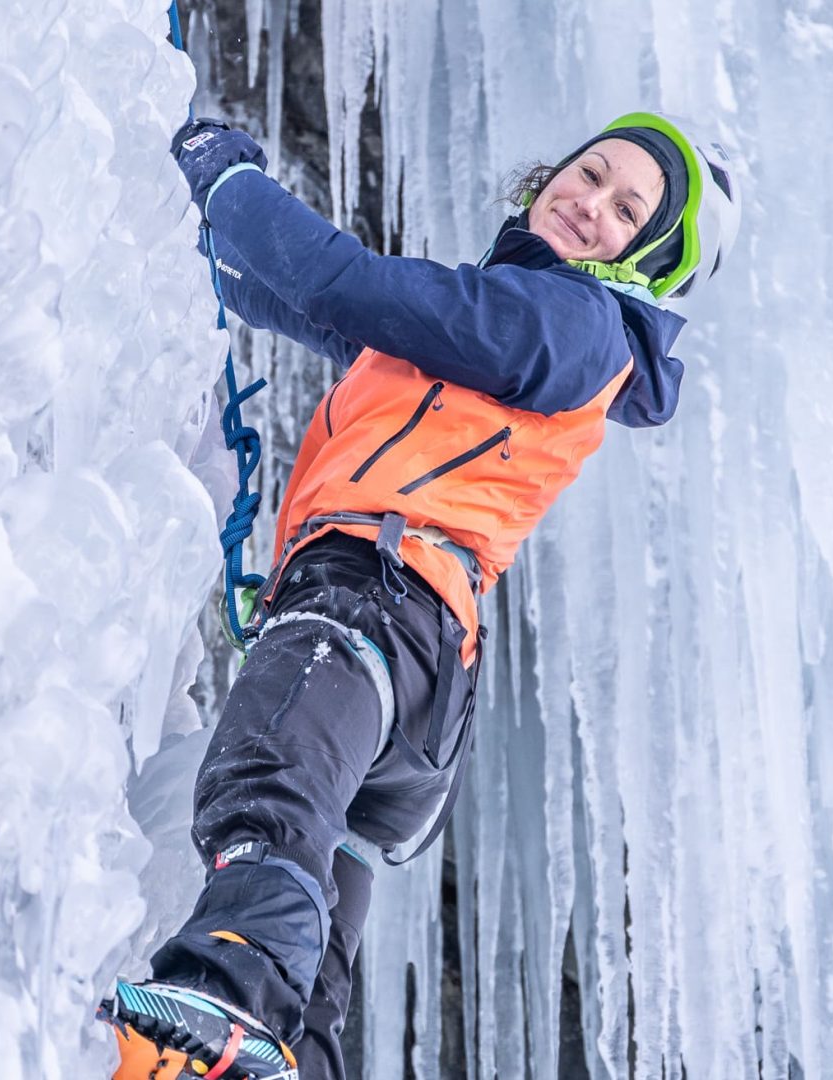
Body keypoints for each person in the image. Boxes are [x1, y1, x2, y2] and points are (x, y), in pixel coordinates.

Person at [101, 111, 741, 1080]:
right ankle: (291, 1057)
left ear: (640, 263)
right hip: (420, 682)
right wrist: (189, 245)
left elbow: (347, 285)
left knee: (267, 793)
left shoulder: (568, 322)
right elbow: (320, 313)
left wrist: (226, 180)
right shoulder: (513, 326)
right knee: (320, 912)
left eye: (627, 213)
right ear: (546, 174)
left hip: (373, 596)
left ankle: (225, 1005)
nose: (591, 203)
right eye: (592, 173)